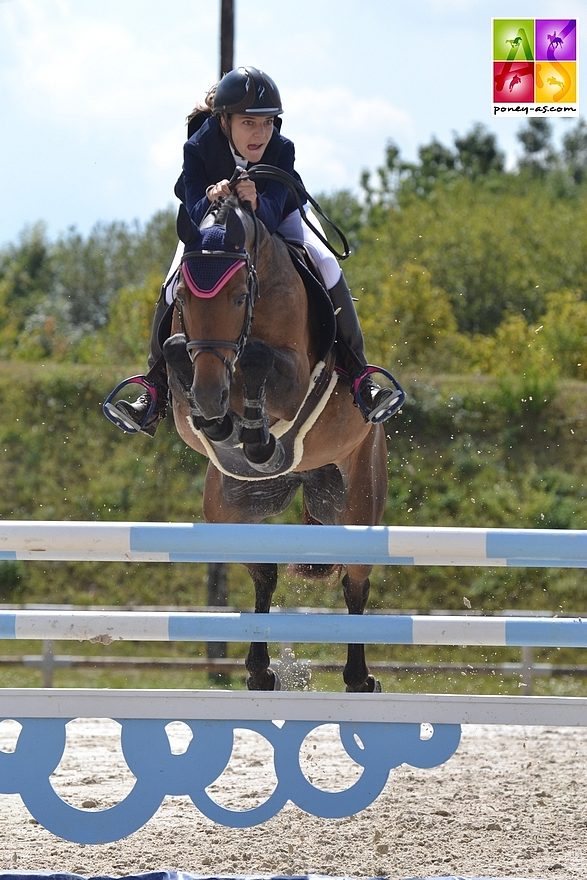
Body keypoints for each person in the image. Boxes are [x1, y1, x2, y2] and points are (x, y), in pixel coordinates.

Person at [113, 66, 404, 435]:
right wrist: (210, 196)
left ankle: (361, 376)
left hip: (277, 218)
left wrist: (255, 203)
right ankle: (153, 390)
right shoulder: (198, 147)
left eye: (268, 123)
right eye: (249, 123)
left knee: (327, 263)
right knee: (172, 285)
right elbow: (191, 205)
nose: (260, 134)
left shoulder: (282, 150)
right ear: (225, 121)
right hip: (212, 227)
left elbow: (275, 208)